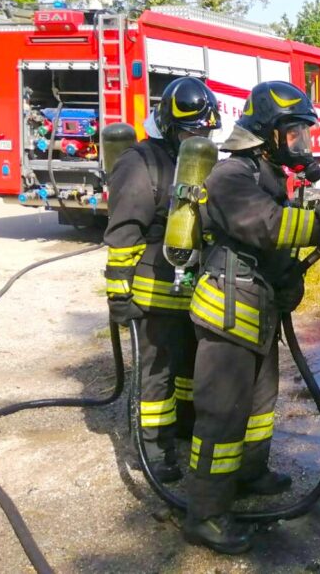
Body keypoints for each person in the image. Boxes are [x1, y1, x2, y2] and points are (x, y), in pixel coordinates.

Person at [182, 80, 320, 554]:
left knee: (258, 407)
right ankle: (205, 514)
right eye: (295, 135)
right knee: (222, 418)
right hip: (228, 315)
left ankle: (249, 474)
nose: (304, 146)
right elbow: (270, 228)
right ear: (268, 134)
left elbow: (279, 241)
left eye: (305, 136)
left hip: (258, 310)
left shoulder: (266, 175)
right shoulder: (231, 177)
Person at [104, 77, 221, 481]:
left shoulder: (198, 159)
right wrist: (119, 294)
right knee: (156, 373)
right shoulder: (140, 162)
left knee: (188, 366)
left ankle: (183, 428)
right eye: (191, 131)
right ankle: (152, 448)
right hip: (152, 291)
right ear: (169, 127)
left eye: (204, 132)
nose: (199, 139)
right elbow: (123, 234)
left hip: (191, 288)